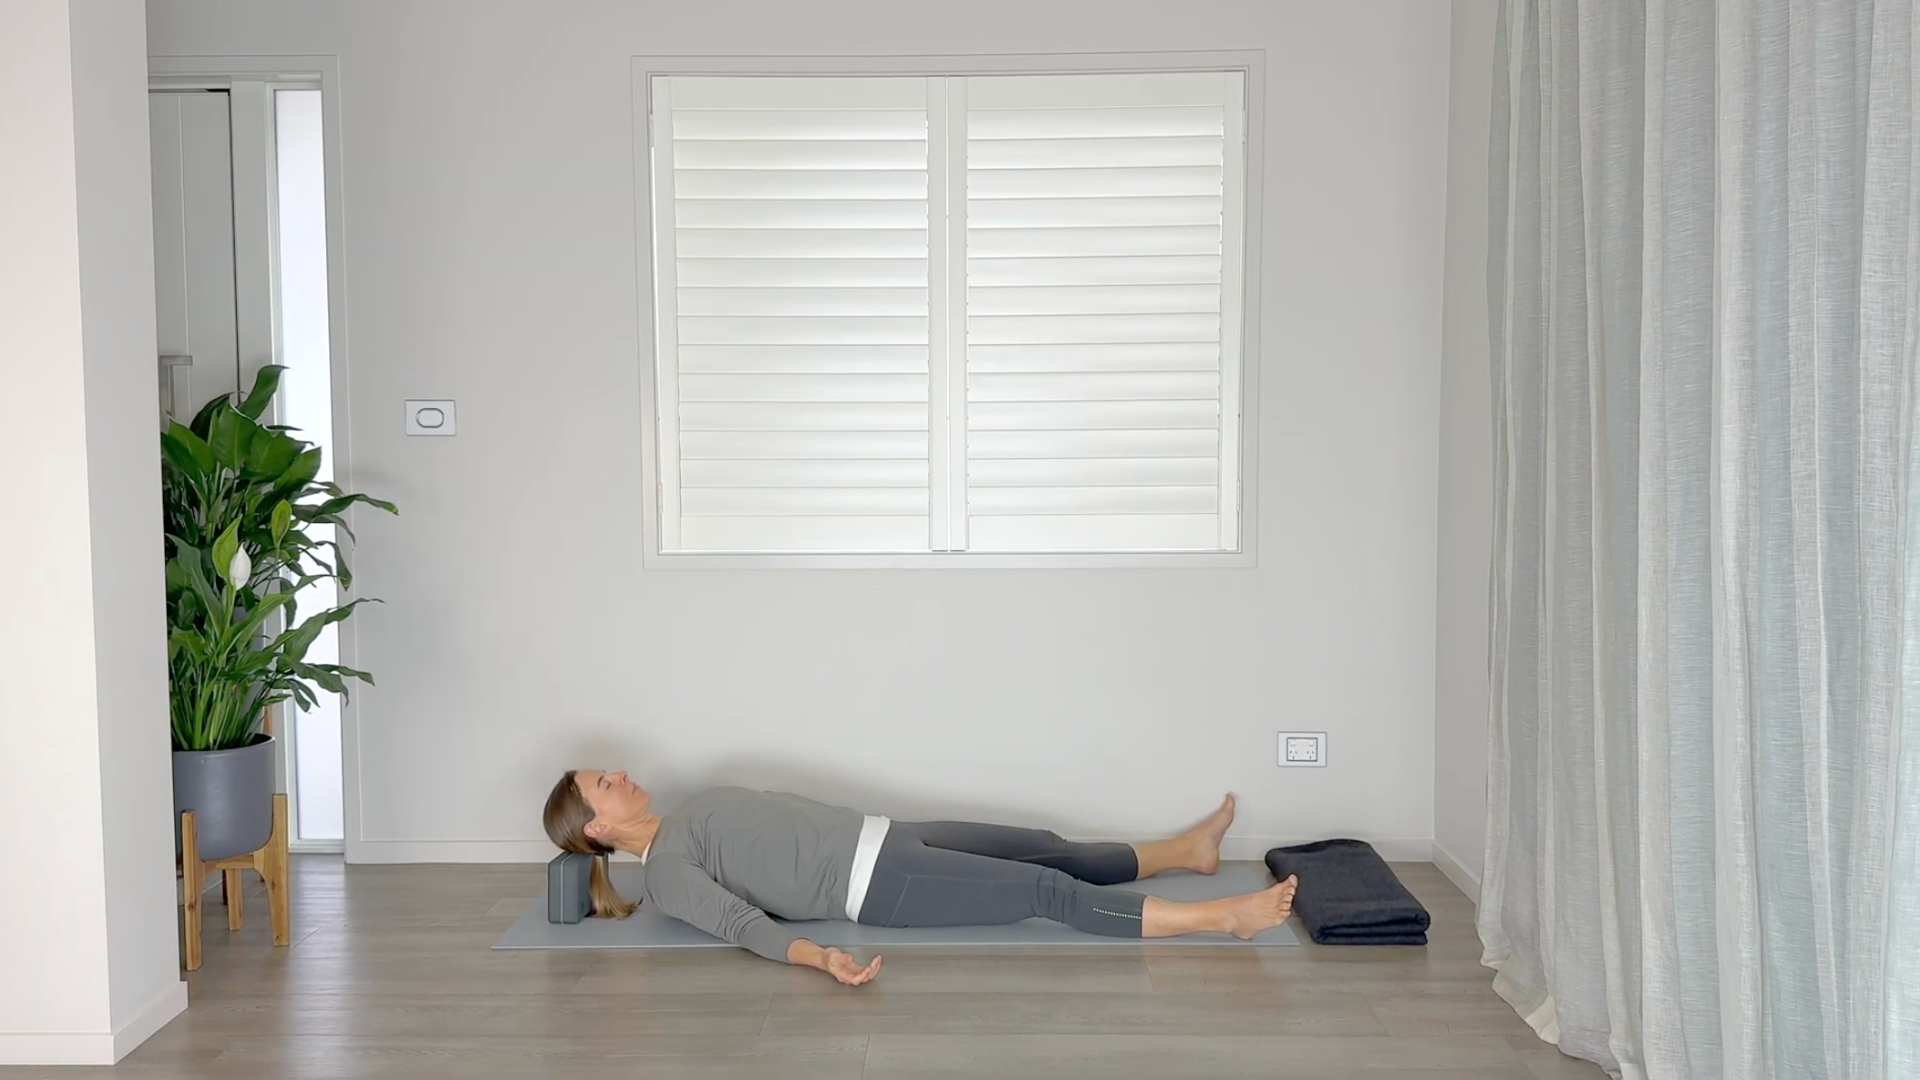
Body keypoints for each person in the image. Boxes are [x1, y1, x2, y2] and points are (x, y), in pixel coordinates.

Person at [542, 769, 1299, 986]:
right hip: (879, 886)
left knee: (1042, 849)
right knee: (1043, 894)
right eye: (603, 784)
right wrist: (822, 959)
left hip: (889, 836)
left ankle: (1185, 853)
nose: (620, 774)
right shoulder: (670, 873)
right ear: (599, 829)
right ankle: (1221, 918)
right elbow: (748, 930)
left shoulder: (684, 815)